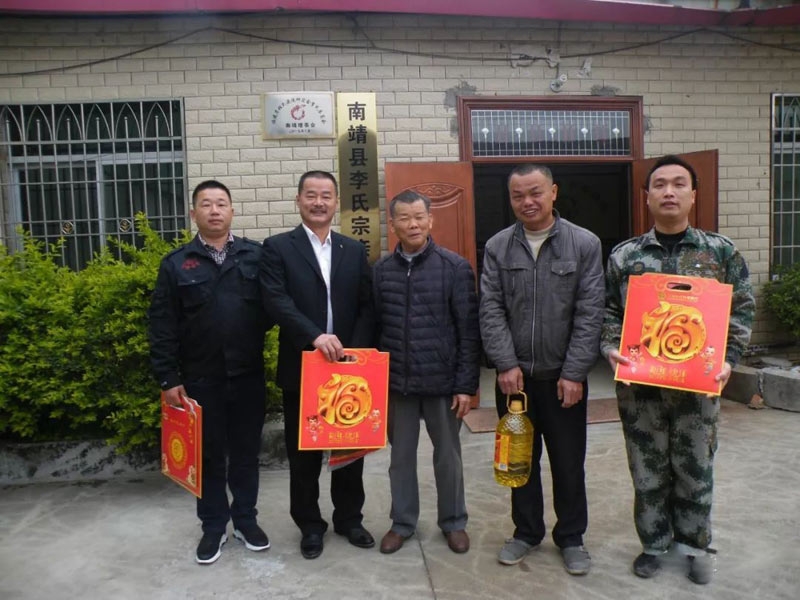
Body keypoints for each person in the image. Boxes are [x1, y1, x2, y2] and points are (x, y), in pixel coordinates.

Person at [601, 155, 755, 585]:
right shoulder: (625, 256)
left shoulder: (720, 252)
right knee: (646, 468)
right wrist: (611, 348)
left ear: (693, 195)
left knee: (695, 468)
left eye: (678, 184)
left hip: (697, 387)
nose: (669, 192)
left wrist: (729, 359)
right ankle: (653, 544)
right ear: (647, 196)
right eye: (660, 184)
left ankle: (695, 546)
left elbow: (742, 308)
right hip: (641, 388)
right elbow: (608, 310)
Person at [479, 164, 604, 576]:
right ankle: (526, 532)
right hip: (515, 382)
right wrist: (505, 363)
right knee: (518, 462)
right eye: (518, 196)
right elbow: (491, 308)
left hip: (564, 380)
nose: (527, 202)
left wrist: (575, 372)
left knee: (568, 463)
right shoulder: (498, 246)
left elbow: (590, 312)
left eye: (535, 192)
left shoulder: (584, 244)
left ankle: (571, 537)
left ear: (553, 192)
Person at [149, 180, 272, 565]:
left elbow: (276, 308)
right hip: (200, 379)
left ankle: (246, 521)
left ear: (232, 210)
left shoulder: (256, 256)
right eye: (206, 204)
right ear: (193, 213)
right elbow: (162, 325)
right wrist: (168, 378)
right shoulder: (176, 263)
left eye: (221, 203)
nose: (214, 210)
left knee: (246, 454)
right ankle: (214, 526)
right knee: (208, 456)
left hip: (248, 375)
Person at [260, 170, 375, 560]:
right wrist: (314, 336)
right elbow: (276, 300)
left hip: (348, 370)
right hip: (303, 367)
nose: (319, 202)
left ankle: (349, 519)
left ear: (336, 202)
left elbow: (366, 305)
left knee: (349, 452)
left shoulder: (352, 249)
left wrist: (354, 353)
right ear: (298, 200)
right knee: (304, 455)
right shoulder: (278, 247)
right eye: (311, 195)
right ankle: (310, 525)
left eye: (326, 195)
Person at [372, 190, 480, 555]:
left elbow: (468, 332)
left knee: (448, 457)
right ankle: (402, 522)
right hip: (398, 383)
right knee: (400, 459)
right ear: (393, 224)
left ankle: (453, 521)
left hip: (442, 383)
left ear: (431, 220)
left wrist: (465, 386)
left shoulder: (454, 267)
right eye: (404, 218)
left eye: (419, 216)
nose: (413, 224)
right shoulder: (381, 271)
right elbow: (375, 328)